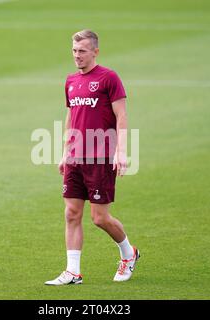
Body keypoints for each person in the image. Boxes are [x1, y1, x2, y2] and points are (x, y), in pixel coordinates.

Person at [45, 30, 139, 285]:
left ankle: (129, 254)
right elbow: (71, 117)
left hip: (101, 155)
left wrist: (121, 151)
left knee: (99, 218)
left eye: (82, 51)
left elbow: (122, 116)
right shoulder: (70, 81)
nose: (77, 55)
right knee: (71, 213)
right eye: (74, 51)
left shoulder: (109, 78)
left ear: (95, 51)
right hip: (76, 157)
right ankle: (73, 271)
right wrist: (65, 151)